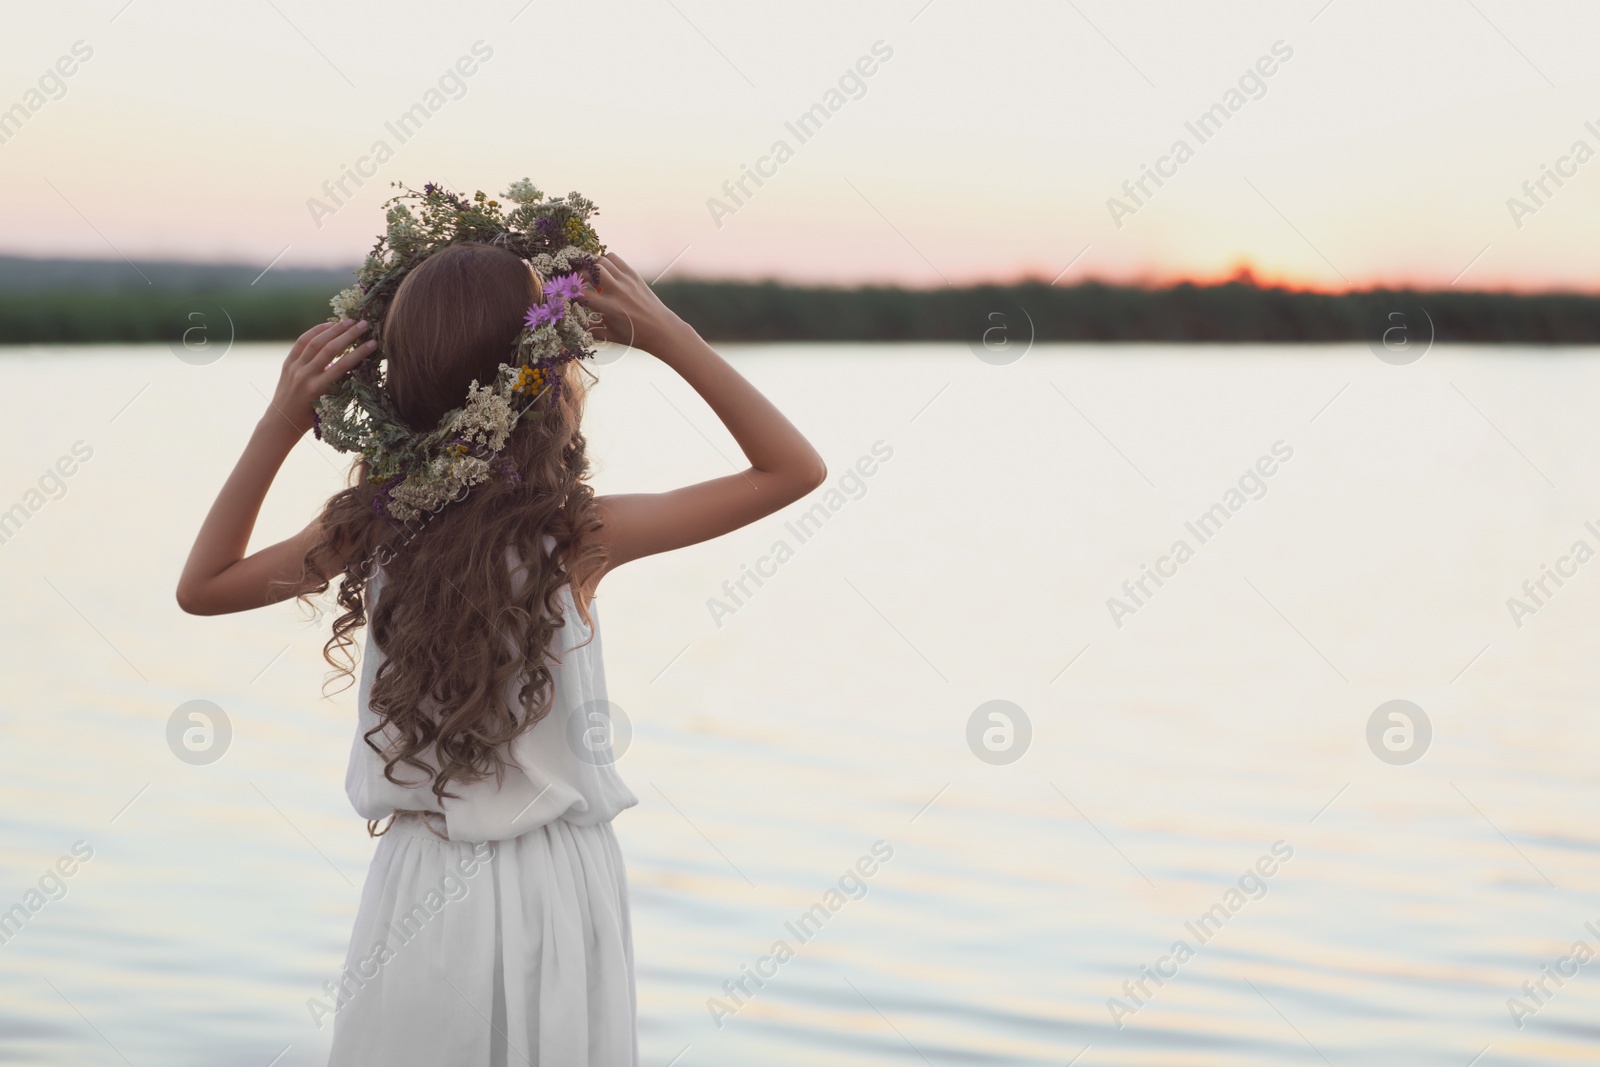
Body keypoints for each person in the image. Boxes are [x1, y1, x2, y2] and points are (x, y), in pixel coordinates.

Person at [176, 238, 827, 1064]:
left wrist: (280, 422)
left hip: (417, 880)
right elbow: (792, 469)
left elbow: (204, 586)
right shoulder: (575, 534)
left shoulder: (369, 525)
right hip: (554, 884)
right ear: (545, 379)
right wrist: (668, 334)